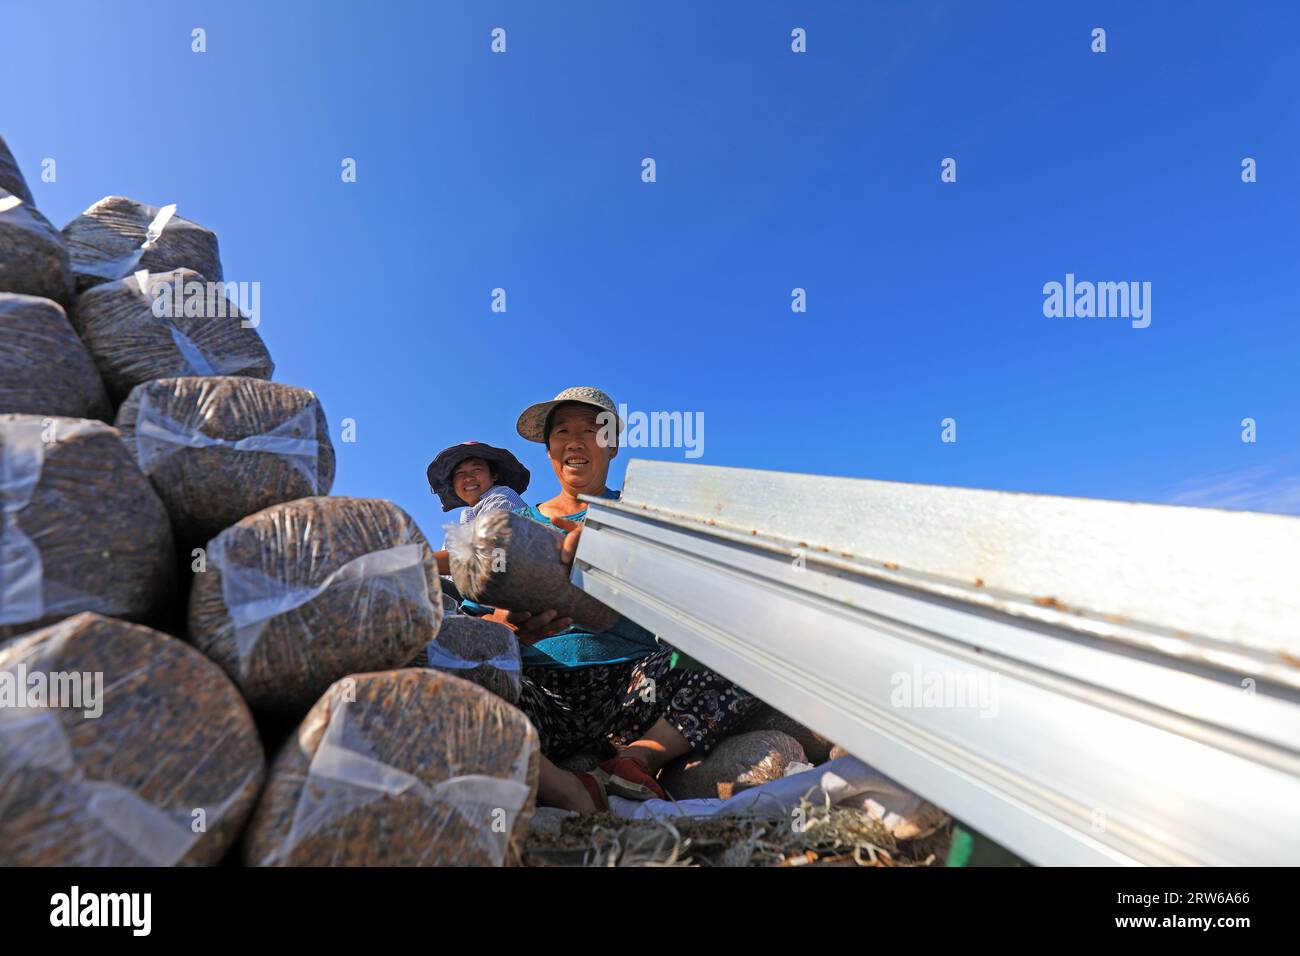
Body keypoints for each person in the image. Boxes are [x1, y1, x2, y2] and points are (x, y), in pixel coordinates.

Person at [475, 386, 760, 812]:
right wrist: (509, 626)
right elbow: (478, 623)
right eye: (563, 431)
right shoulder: (515, 526)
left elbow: (692, 592)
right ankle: (565, 786)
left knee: (747, 649)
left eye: (591, 430)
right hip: (538, 691)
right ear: (548, 448)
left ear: (612, 446)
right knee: (449, 677)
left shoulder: (643, 515)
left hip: (632, 687)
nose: (575, 441)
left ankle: (638, 756)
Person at [426, 441, 530, 575]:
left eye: (476, 470)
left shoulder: (502, 497)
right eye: (459, 473)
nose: (468, 478)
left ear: (494, 475)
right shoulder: (465, 521)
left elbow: (483, 552)